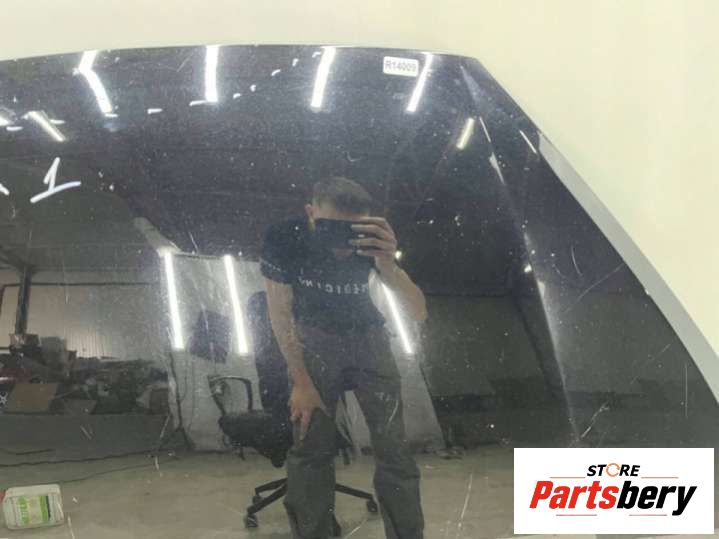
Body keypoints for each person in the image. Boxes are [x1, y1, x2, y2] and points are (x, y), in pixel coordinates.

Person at [260, 177, 427, 538]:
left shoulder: (373, 242)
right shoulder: (285, 236)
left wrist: (388, 265)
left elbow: (419, 311)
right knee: (311, 450)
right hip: (313, 340)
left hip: (369, 337)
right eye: (331, 228)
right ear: (311, 213)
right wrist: (301, 381)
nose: (342, 242)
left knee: (395, 451)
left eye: (353, 231)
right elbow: (279, 311)